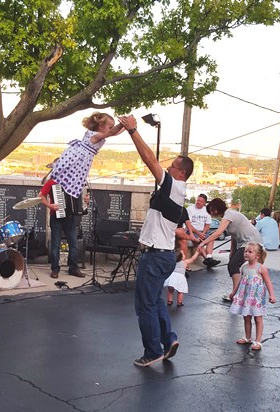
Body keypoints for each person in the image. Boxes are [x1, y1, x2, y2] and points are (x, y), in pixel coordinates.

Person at [119, 115, 194, 367]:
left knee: (144, 306)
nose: (168, 167)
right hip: (163, 255)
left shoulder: (174, 186)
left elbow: (149, 160)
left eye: (172, 165)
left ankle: (152, 352)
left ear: (181, 172)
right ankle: (169, 339)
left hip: (155, 256)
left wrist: (133, 131)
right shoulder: (177, 193)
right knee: (156, 300)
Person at [198, 198, 263, 302]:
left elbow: (218, 233)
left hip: (252, 242)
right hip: (245, 243)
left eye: (211, 210)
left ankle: (237, 294)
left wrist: (203, 243)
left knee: (233, 265)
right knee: (234, 264)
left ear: (217, 208)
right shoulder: (226, 217)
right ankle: (239, 292)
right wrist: (232, 251)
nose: (211, 213)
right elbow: (234, 235)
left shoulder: (229, 214)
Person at [51, 111, 124, 199]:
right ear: (101, 126)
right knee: (71, 174)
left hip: (83, 160)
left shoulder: (100, 135)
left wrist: (127, 126)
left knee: (75, 177)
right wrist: (122, 124)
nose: (111, 129)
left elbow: (114, 133)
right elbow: (112, 133)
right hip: (79, 158)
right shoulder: (94, 136)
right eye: (110, 127)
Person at [229, 242, 276, 351]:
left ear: (258, 255)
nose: (246, 253)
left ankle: (258, 341)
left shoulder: (261, 268)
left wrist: (272, 295)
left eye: (250, 252)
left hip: (256, 298)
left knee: (258, 318)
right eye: (246, 251)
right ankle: (248, 337)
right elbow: (241, 281)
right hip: (246, 297)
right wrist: (234, 292)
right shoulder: (244, 267)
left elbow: (268, 282)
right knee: (246, 316)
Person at [38, 178, 86, 279]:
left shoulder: (73, 180)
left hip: (70, 218)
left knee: (74, 244)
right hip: (56, 218)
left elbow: (81, 201)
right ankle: (55, 269)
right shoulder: (52, 181)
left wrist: (86, 202)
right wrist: (49, 205)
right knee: (55, 244)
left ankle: (73, 268)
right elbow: (40, 195)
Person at [187, 194, 220, 267]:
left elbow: (207, 224)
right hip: (192, 231)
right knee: (198, 241)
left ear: (204, 203)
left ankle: (209, 257)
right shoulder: (190, 209)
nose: (198, 202)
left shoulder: (207, 210)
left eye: (201, 201)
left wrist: (203, 233)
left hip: (203, 232)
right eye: (198, 200)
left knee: (211, 239)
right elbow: (188, 224)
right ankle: (208, 260)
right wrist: (199, 234)